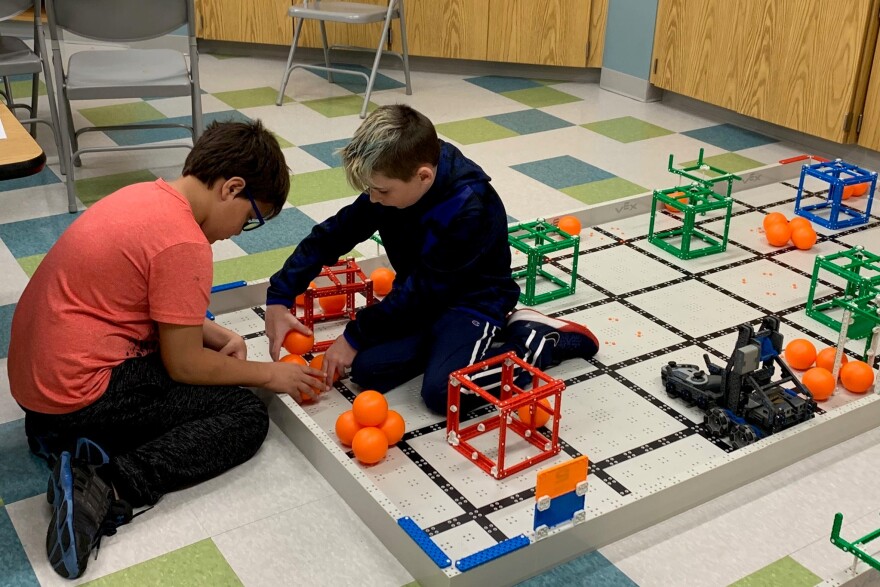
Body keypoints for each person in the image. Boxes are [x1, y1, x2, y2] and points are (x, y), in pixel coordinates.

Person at [7, 120, 327, 580]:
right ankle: (108, 485)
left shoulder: (147, 197)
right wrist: (269, 374)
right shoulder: (185, 242)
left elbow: (142, 296)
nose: (239, 231)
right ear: (232, 188)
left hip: (40, 387)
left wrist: (213, 333)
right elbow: (184, 364)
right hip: (79, 394)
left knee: (197, 373)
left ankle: (60, 436)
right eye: (250, 217)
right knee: (243, 415)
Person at [264, 104, 599, 415]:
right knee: (367, 370)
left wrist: (354, 335)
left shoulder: (470, 207)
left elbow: (423, 290)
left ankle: (534, 339)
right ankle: (453, 349)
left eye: (381, 190)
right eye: (369, 189)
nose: (372, 199)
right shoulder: (391, 184)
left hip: (472, 303)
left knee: (444, 394)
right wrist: (280, 295)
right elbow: (334, 234)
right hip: (425, 301)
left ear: (423, 176)